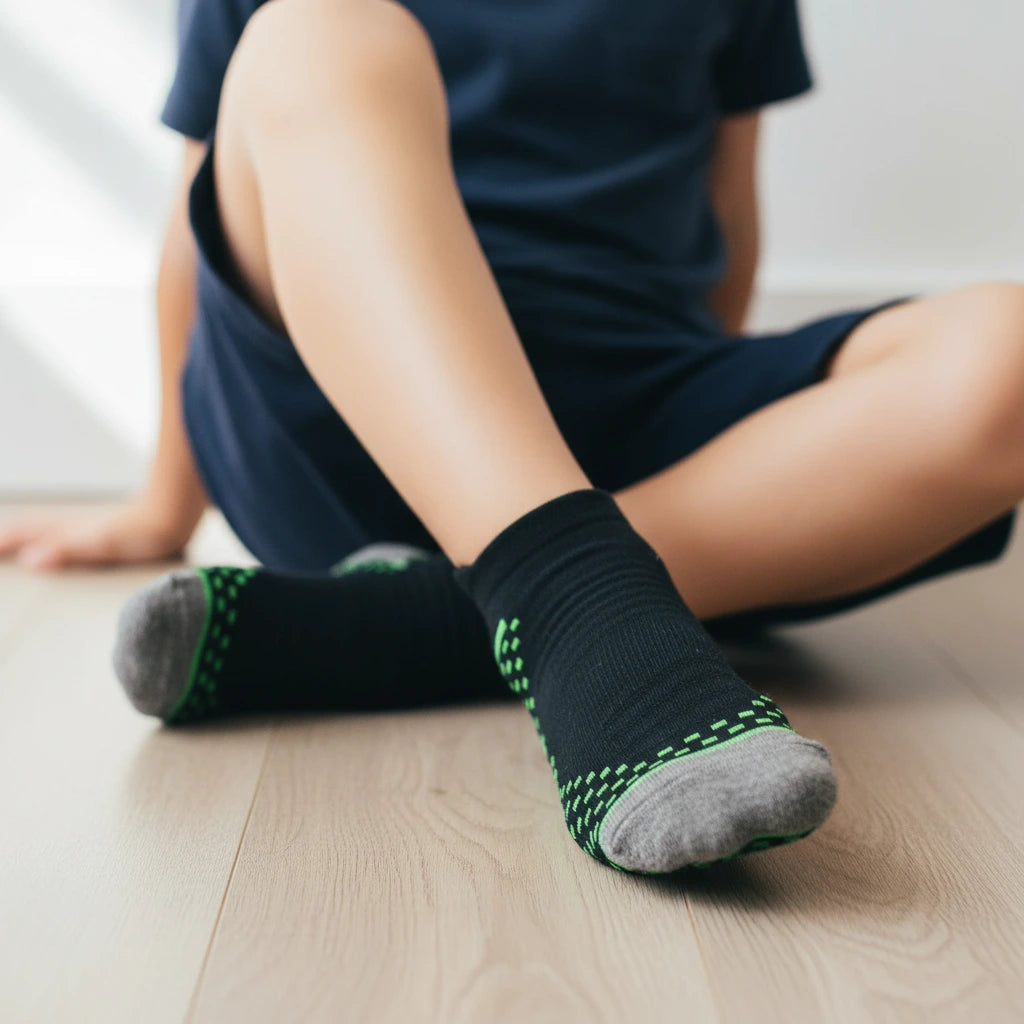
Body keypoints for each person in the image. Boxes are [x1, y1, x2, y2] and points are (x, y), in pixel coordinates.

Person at [3, 0, 1022, 873]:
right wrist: (161, 502)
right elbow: (205, 213)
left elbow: (723, 211)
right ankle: (582, 606)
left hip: (626, 410)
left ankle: (437, 617)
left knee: (1004, 356)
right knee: (319, 30)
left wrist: (754, 451)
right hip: (335, 408)